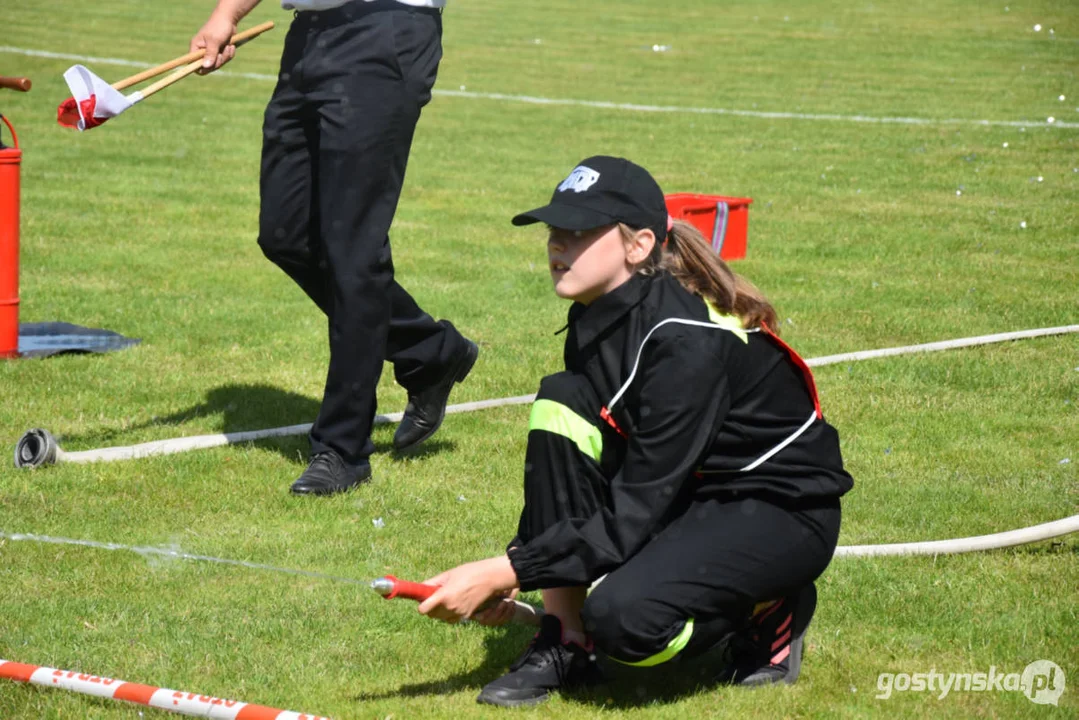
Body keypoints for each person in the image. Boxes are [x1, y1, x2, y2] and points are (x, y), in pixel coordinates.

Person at [416, 156, 854, 707]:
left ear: (639, 245)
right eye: (555, 230)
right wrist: (527, 566)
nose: (557, 245)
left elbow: (630, 516)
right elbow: (597, 470)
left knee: (623, 620)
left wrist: (506, 570)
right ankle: (564, 639)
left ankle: (767, 609)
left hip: (777, 509)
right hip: (694, 486)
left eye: (579, 232)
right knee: (562, 401)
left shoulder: (685, 344)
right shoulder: (600, 309)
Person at [190, 0, 477, 495]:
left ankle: (342, 450)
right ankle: (430, 351)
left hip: (383, 31)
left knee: (353, 250)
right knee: (285, 234)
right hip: (310, 34)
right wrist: (226, 14)